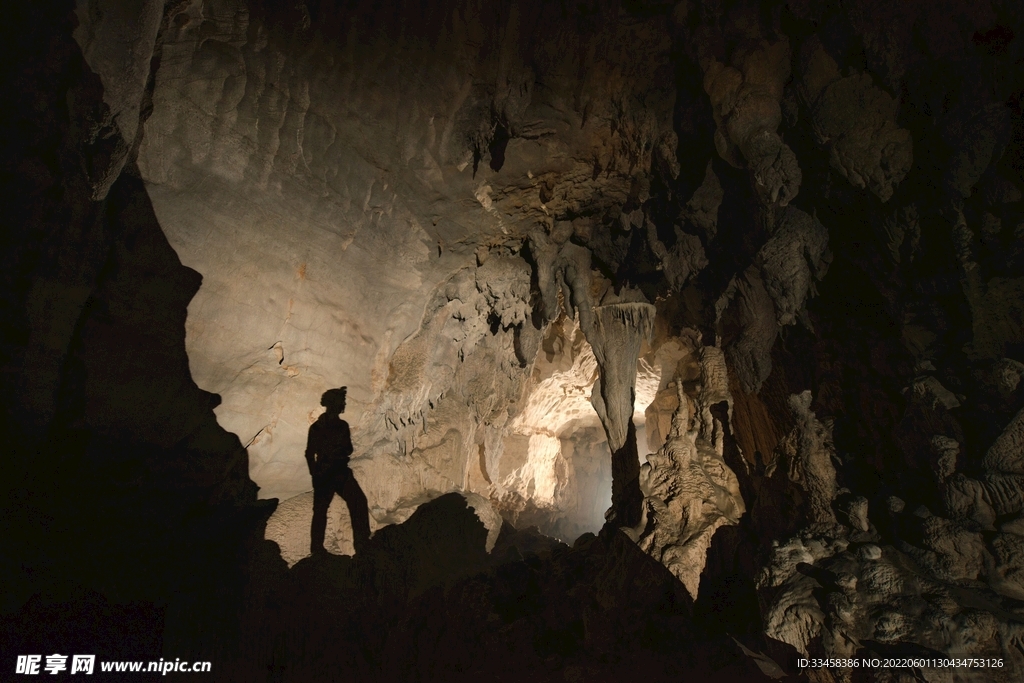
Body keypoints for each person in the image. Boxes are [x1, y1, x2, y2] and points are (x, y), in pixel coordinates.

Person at [306, 387, 371, 555]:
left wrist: (314, 472)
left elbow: (309, 453)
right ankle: (362, 545)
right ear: (335, 404)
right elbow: (348, 449)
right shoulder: (340, 426)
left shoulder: (317, 427)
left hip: (325, 473)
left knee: (320, 511)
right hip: (337, 473)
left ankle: (317, 549)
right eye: (342, 402)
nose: (344, 405)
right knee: (358, 503)